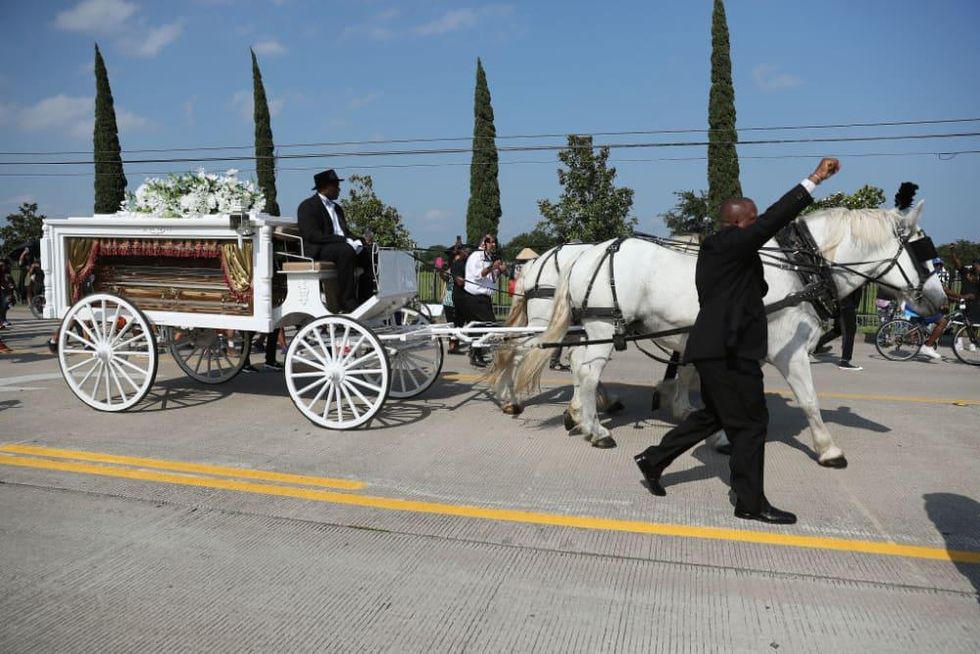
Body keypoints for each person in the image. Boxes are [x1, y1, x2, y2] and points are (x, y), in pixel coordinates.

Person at [634, 158, 841, 526]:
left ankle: (652, 460)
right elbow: (773, 220)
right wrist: (814, 180)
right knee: (751, 423)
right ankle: (750, 501)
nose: (758, 223)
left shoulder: (729, 253)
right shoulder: (726, 243)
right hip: (729, 352)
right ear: (737, 222)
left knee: (714, 416)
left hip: (718, 350)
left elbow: (754, 288)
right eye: (753, 219)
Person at [297, 169, 376, 312]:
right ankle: (347, 300)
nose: (339, 189)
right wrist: (343, 240)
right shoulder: (307, 206)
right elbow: (312, 235)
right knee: (345, 251)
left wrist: (360, 240)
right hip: (320, 249)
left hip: (338, 246)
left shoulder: (337, 208)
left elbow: (346, 232)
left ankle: (366, 297)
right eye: (336, 186)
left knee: (369, 252)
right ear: (326, 187)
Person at [464, 234, 507, 367]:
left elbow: (490, 278)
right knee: (490, 325)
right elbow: (477, 276)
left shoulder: (487, 258)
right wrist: (493, 267)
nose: (493, 244)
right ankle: (494, 355)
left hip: (484, 298)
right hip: (475, 298)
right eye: (491, 242)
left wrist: (499, 271)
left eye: (495, 242)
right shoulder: (476, 257)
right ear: (484, 243)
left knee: (478, 328)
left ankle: (476, 355)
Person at [814, 287, 864, 370]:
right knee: (849, 331)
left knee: (838, 330)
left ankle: (816, 346)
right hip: (847, 305)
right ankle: (845, 361)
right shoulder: (853, 277)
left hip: (841, 304)